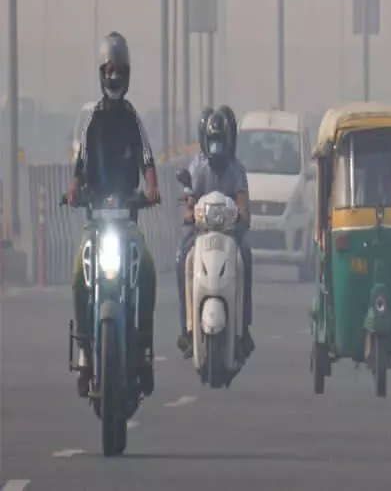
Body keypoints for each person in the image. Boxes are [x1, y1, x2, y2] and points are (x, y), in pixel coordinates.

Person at [66, 32, 162, 396]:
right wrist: (75, 189)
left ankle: (144, 351)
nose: (114, 77)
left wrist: (150, 189)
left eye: (120, 70)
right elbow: (80, 163)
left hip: (126, 223)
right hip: (96, 223)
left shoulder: (133, 117)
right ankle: (85, 351)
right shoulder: (92, 119)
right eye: (109, 70)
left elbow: (148, 160)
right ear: (100, 73)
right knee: (79, 274)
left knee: (149, 273)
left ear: (128, 74)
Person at [176, 105, 254, 360]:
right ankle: (187, 329)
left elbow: (243, 205)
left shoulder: (237, 170)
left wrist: (241, 216)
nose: (217, 148)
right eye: (213, 142)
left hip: (230, 235)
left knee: (245, 259)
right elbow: (188, 205)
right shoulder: (197, 168)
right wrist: (190, 215)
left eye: (221, 141)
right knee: (182, 259)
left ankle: (243, 329)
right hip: (201, 234)